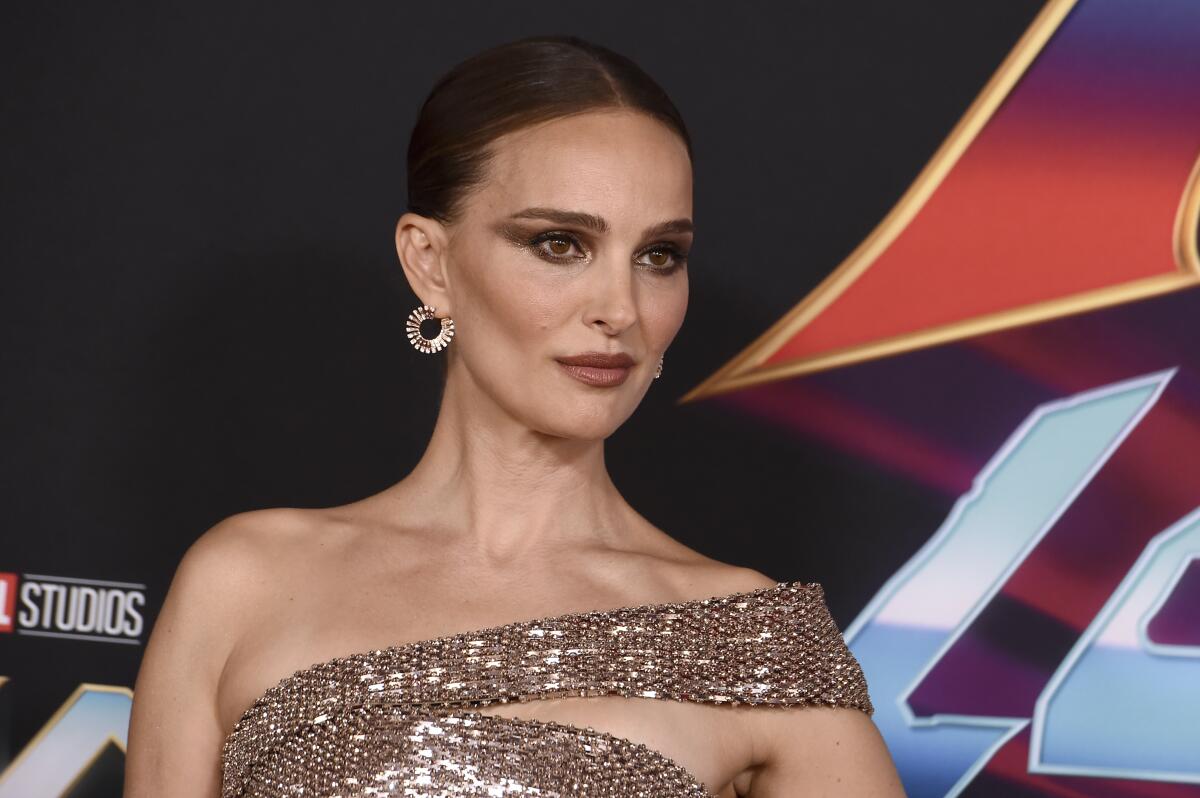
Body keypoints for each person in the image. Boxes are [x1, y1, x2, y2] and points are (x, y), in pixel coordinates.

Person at [124, 33, 905, 798]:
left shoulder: (750, 642)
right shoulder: (243, 583)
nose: (620, 309)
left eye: (658, 256)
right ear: (431, 263)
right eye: (560, 243)